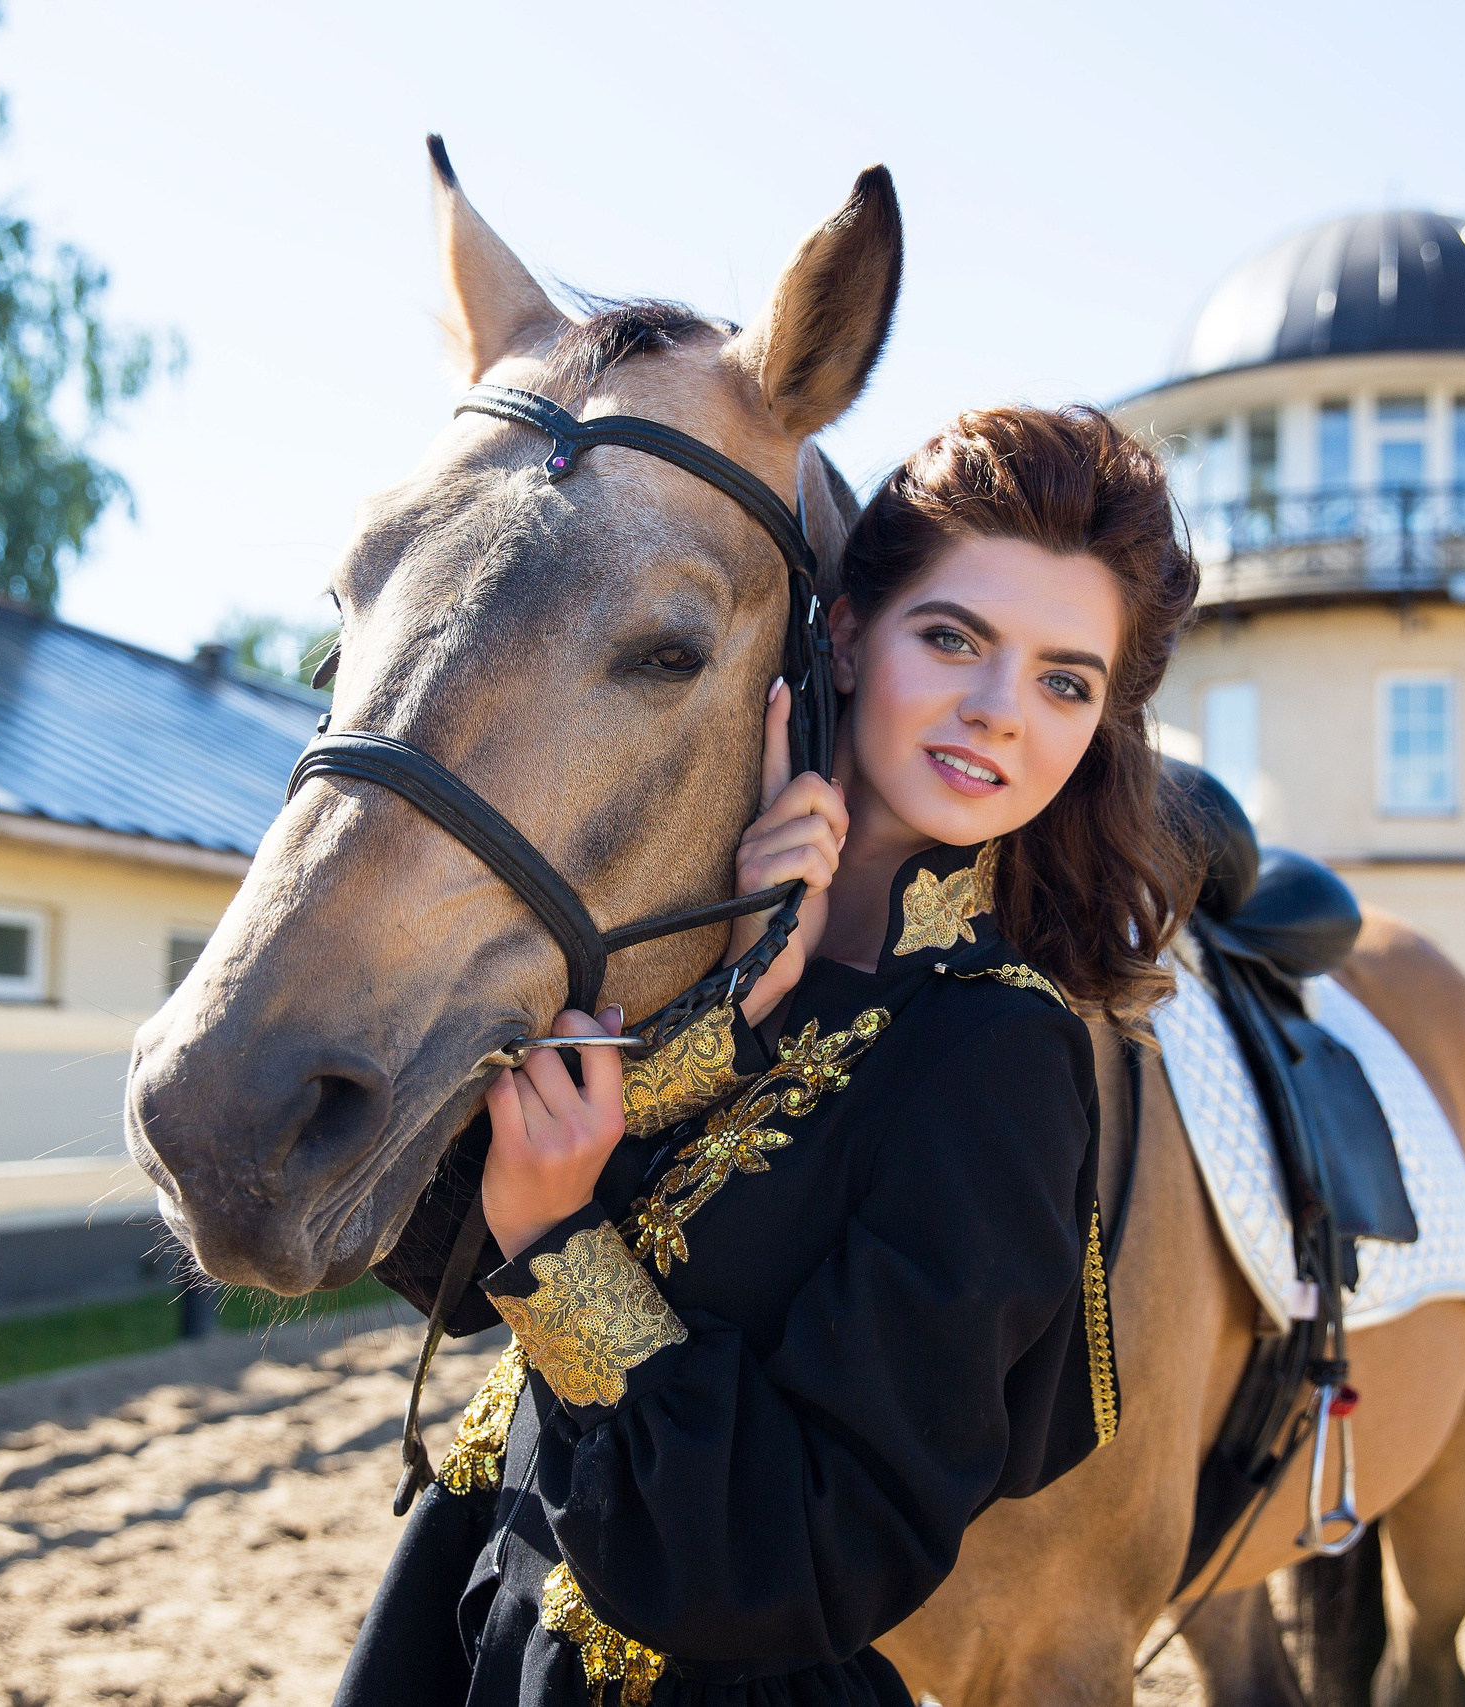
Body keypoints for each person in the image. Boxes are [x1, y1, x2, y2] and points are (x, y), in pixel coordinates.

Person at [337, 405, 1200, 1706]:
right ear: (848, 632)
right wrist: (730, 998)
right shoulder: (692, 929)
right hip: (469, 1624)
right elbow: (438, 1263)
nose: (997, 714)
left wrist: (562, 1242)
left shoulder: (998, 1058)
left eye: (1063, 680)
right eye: (954, 637)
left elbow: (795, 1560)